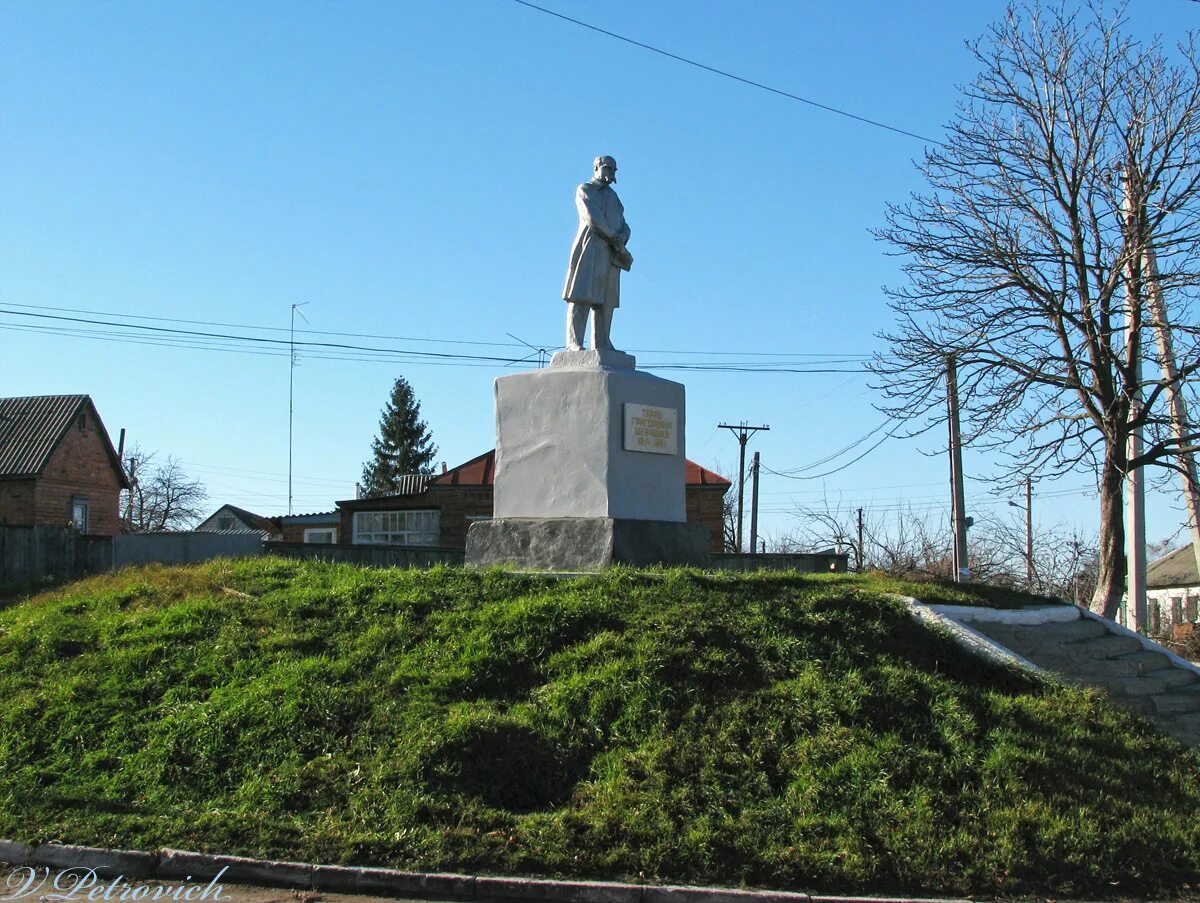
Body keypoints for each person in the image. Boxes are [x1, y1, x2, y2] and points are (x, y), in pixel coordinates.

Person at [562, 155, 632, 351]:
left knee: (606, 300)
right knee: (581, 295)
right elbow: (593, 219)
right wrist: (613, 237)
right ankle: (574, 342)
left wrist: (623, 236)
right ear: (597, 167)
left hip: (611, 253)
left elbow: (624, 223)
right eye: (608, 168)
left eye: (614, 170)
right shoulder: (585, 190)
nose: (611, 173)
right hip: (590, 248)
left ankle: (602, 341)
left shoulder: (613, 197)